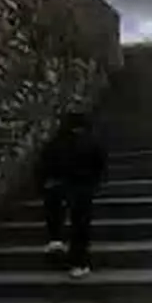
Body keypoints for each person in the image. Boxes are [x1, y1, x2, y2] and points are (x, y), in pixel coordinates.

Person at [36, 110, 107, 279]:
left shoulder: (57, 142)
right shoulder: (91, 141)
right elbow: (100, 164)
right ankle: (78, 262)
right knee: (80, 225)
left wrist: (45, 181)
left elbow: (44, 163)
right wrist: (95, 182)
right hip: (82, 185)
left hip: (60, 183)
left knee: (55, 208)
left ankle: (56, 239)